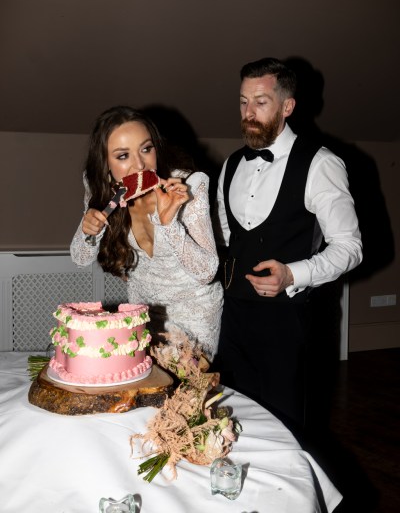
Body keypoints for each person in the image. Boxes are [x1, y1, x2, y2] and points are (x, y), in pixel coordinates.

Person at [213, 57, 362, 431]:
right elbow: (228, 239)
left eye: (261, 102)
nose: (249, 112)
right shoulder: (230, 165)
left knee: (287, 429)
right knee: (232, 423)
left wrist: (293, 274)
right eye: (243, 101)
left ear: (287, 106)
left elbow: (350, 246)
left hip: (291, 322)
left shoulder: (321, 164)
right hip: (233, 319)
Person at [70, 106, 223, 360]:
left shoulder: (190, 186)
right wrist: (88, 228)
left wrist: (169, 223)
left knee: (182, 394)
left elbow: (206, 272)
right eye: (122, 156)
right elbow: (80, 258)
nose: (139, 165)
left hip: (195, 312)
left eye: (146, 149)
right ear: (105, 165)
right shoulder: (103, 189)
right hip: (143, 310)